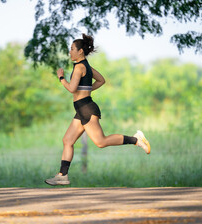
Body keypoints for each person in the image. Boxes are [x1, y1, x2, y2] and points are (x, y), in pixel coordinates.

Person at [45, 34, 151, 186]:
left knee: (101, 142)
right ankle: (62, 175)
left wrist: (61, 78)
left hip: (86, 109)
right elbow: (101, 80)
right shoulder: (86, 66)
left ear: (80, 51)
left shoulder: (78, 68)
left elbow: (71, 88)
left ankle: (136, 140)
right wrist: (87, 91)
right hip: (82, 109)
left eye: (72, 49)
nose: (70, 52)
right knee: (67, 140)